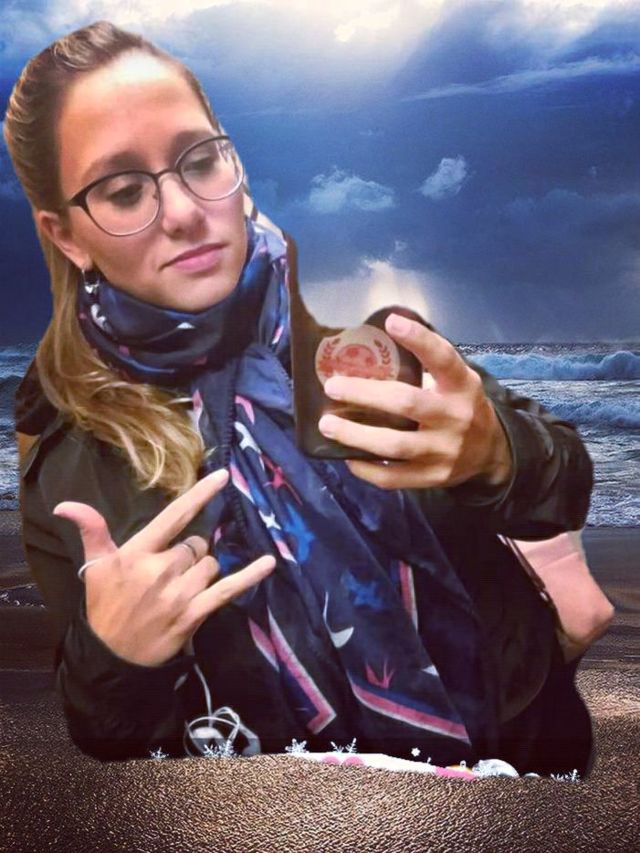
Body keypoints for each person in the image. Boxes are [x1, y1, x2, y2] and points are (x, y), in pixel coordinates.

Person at [6, 21, 594, 774]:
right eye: (123, 191)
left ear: (235, 163)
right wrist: (115, 658)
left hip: (525, 782)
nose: (183, 211)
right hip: (279, 811)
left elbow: (567, 481)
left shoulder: (373, 346)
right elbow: (106, 735)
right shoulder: (72, 468)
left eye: (199, 160)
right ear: (66, 236)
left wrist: (500, 454)